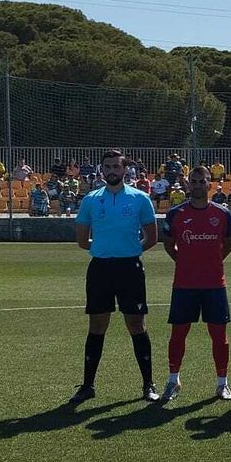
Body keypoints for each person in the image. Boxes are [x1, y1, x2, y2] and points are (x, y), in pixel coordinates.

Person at [67, 149, 159, 407]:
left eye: (116, 167)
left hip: (130, 268)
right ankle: (87, 386)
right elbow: (82, 241)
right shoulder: (91, 200)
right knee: (97, 326)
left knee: (136, 326)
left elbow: (151, 238)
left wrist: (129, 249)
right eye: (107, 167)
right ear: (102, 170)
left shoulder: (140, 199)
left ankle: (148, 384)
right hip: (100, 269)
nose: (112, 171)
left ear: (125, 169)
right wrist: (106, 248)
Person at [160, 166, 231, 402]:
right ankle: (173, 380)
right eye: (193, 181)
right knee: (178, 334)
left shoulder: (223, 214)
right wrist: (184, 261)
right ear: (188, 184)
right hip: (184, 284)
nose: (197, 185)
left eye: (201, 181)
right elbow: (168, 244)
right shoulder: (175, 214)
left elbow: (228, 244)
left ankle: (222, 383)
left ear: (209, 184)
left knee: (219, 335)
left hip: (214, 283)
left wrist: (212, 261)